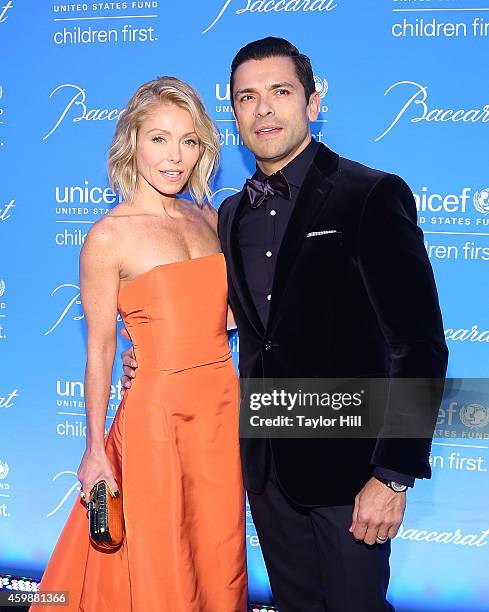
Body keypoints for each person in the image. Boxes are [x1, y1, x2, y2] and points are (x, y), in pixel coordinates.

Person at [122, 38, 448, 612]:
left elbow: (418, 346)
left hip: (351, 470)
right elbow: (238, 320)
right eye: (247, 97)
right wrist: (154, 350)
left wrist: (393, 475)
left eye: (280, 92)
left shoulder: (369, 194)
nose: (263, 109)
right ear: (235, 113)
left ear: (313, 102)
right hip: (267, 468)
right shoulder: (230, 215)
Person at [32, 76, 247, 612]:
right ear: (132, 141)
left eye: (189, 140)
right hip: (157, 418)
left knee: (220, 552)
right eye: (159, 138)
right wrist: (94, 450)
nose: (174, 157)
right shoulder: (108, 237)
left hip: (221, 407)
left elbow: (225, 313)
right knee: (165, 556)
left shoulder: (210, 219)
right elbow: (101, 351)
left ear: (203, 148)